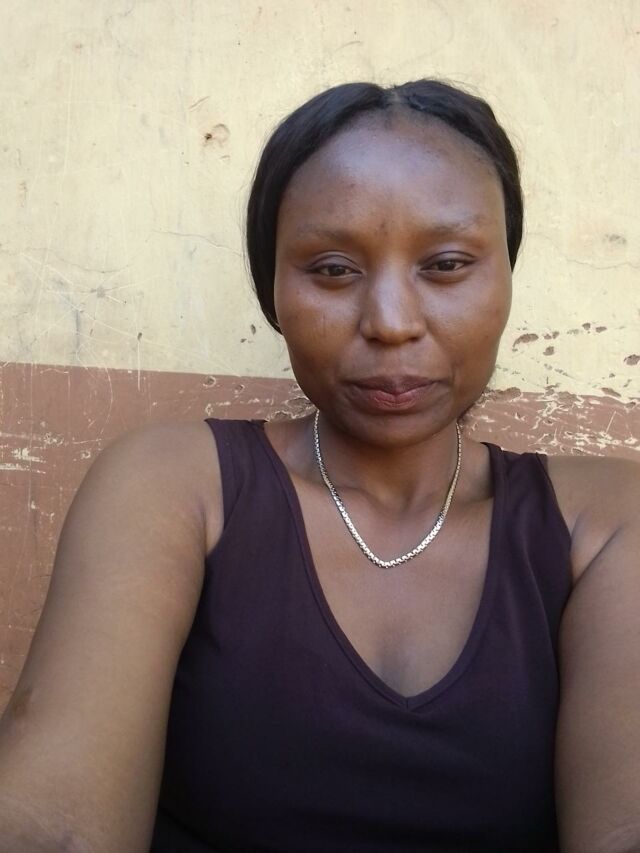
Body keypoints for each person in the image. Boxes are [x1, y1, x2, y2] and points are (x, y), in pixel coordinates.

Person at [0, 79, 639, 853]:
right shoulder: (172, 488)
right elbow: (55, 828)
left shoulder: (604, 522)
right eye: (333, 269)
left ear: (506, 277)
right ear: (273, 290)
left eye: (446, 264)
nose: (391, 323)